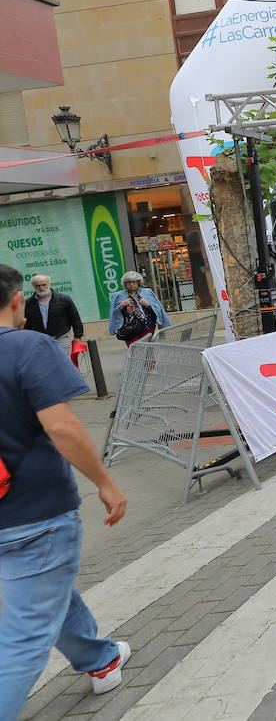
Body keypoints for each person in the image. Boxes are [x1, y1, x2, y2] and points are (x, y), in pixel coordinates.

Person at [0, 263, 132, 719]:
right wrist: (106, 482)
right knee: (21, 643)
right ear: (18, 300)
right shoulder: (27, 347)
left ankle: (100, 659)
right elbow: (64, 429)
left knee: (46, 587)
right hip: (34, 514)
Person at [23, 274, 84, 358]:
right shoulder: (28, 303)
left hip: (61, 338)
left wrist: (78, 336)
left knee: (61, 362)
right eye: (37, 286)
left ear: (49, 284)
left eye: (44, 284)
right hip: (39, 341)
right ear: (33, 286)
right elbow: (26, 324)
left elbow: (75, 318)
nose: (41, 288)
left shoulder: (64, 299)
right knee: (44, 364)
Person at [107, 272, 170, 346]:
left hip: (148, 327)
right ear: (125, 284)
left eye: (134, 282)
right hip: (130, 330)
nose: (131, 284)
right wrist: (121, 306)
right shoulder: (119, 296)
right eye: (129, 282)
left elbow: (157, 309)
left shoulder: (147, 292)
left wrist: (148, 305)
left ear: (138, 282)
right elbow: (114, 314)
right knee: (134, 351)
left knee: (148, 350)